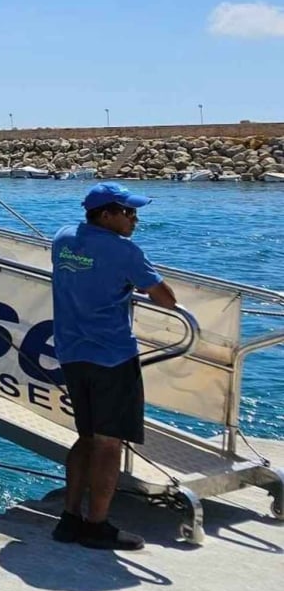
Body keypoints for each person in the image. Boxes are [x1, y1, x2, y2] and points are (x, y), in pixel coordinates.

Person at [49, 182, 178, 551]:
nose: (135, 219)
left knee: (86, 437)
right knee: (109, 443)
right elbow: (167, 299)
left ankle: (69, 518)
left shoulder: (63, 238)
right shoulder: (125, 252)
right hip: (112, 356)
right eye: (128, 212)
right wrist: (129, 283)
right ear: (106, 215)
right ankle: (97, 526)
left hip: (72, 352)